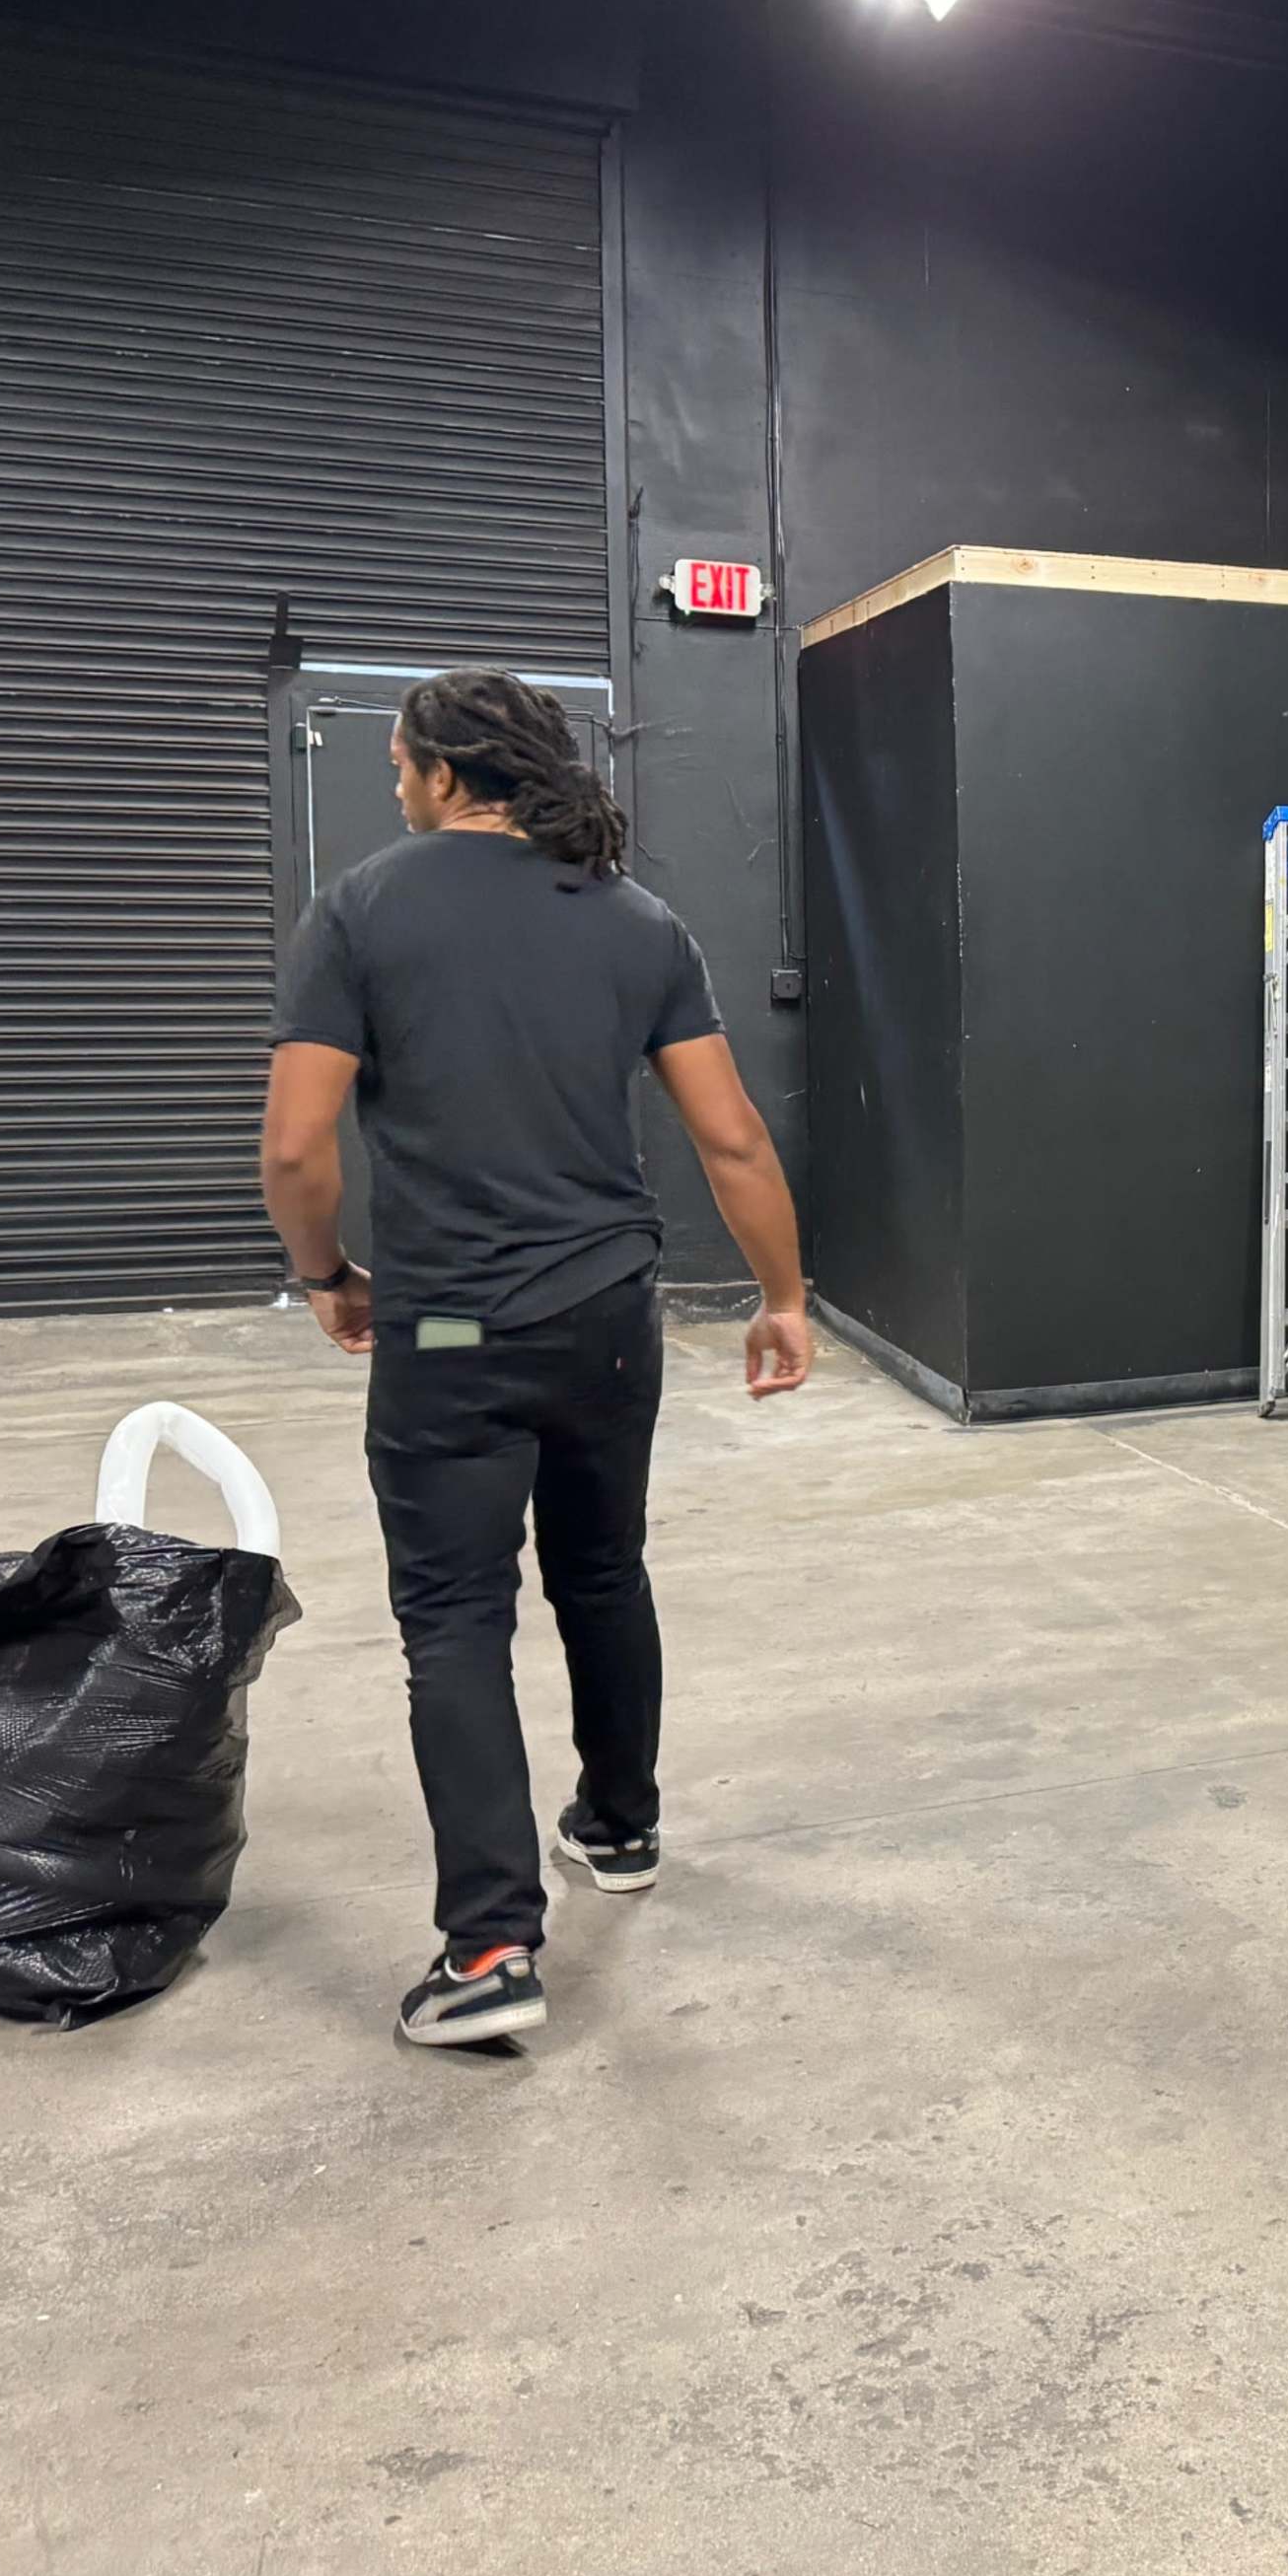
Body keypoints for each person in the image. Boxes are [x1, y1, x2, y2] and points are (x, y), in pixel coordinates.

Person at [260, 669, 813, 2048]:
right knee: (605, 1571)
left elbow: (294, 1146)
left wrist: (326, 1275)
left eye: (398, 767)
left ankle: (492, 1945)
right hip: (608, 1320)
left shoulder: (360, 911)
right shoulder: (640, 922)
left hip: (447, 1328)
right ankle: (620, 1827)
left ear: (447, 773)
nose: (394, 788)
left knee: (455, 1620)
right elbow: (732, 1136)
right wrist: (784, 1296)